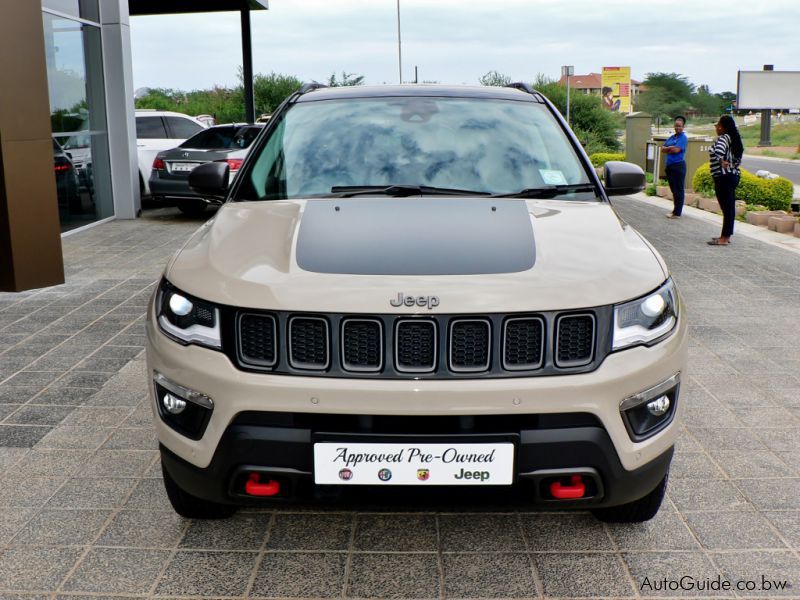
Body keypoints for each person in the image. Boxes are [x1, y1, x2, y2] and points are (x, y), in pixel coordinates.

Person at [707, 114, 743, 245]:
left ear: (722, 127)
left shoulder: (723, 137)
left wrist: (721, 160)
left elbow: (718, 151)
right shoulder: (734, 138)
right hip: (732, 175)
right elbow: (737, 160)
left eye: (718, 125)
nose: (716, 127)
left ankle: (724, 238)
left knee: (727, 208)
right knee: (729, 208)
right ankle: (725, 236)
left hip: (724, 177)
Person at [662, 116, 688, 218]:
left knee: (678, 190)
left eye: (680, 126)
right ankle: (675, 210)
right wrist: (670, 148)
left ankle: (677, 213)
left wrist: (669, 148)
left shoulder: (683, 138)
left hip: (678, 166)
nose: (677, 128)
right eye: (676, 126)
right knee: (673, 189)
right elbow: (662, 148)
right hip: (670, 167)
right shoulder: (672, 137)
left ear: (683, 127)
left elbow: (676, 150)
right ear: (674, 126)